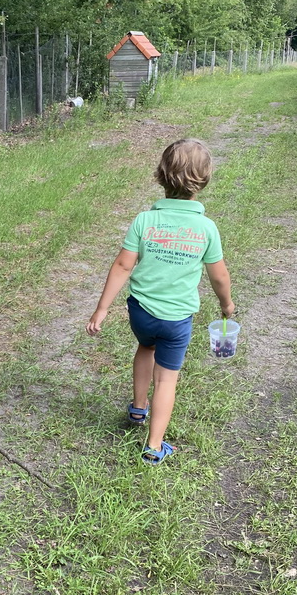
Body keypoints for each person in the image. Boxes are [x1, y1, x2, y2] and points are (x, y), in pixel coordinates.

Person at [86, 138, 234, 464]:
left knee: (145, 348)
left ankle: (138, 409)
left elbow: (123, 265)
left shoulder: (144, 220)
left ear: (161, 176)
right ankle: (154, 447)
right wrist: (226, 306)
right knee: (166, 378)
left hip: (141, 313)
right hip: (177, 320)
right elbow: (219, 276)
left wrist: (102, 308)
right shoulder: (206, 228)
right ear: (204, 181)